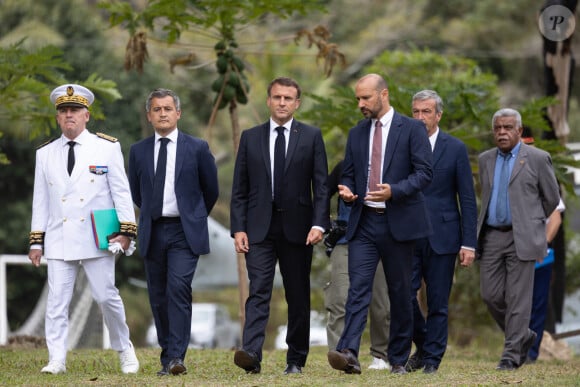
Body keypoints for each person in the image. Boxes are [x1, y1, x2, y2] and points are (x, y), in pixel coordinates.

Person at [29, 84, 139, 375]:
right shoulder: (45, 154)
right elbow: (40, 200)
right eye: (63, 111)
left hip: (97, 237)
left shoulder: (107, 147)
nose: (69, 116)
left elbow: (121, 193)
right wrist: (36, 241)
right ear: (57, 118)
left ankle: (124, 349)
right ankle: (56, 359)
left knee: (106, 296)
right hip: (59, 237)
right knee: (57, 302)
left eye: (75, 111)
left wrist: (127, 232)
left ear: (86, 115)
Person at [327, 73, 433, 375]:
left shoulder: (412, 129)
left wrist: (394, 191)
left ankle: (398, 359)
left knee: (400, 292)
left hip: (399, 222)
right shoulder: (356, 133)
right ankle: (348, 352)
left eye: (365, 98)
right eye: (358, 98)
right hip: (364, 223)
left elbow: (425, 173)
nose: (360, 104)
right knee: (358, 290)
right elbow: (347, 172)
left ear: (383, 94)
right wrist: (346, 190)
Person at [230, 76, 329, 375]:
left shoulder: (311, 136)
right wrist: (239, 228)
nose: (282, 102)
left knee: (297, 294)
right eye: (277, 97)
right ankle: (251, 354)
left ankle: (295, 359)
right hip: (258, 228)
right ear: (269, 101)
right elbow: (239, 189)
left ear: (297, 103)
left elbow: (321, 187)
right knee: (258, 290)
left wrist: (319, 224)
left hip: (299, 229)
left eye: (288, 98)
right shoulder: (250, 137)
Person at [128, 88, 219, 376]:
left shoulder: (197, 148)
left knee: (178, 288)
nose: (163, 113)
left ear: (178, 113)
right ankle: (167, 355)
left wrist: (193, 215)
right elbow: (136, 192)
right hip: (153, 229)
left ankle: (177, 357)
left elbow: (211, 190)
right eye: (157, 109)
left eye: (168, 108)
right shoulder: (138, 151)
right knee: (158, 294)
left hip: (184, 231)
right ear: (149, 115)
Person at [477, 108, 560, 371]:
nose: (502, 132)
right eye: (498, 128)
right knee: (490, 295)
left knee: (518, 298)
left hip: (522, 237)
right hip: (491, 236)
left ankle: (511, 356)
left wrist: (531, 223)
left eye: (508, 127)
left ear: (519, 131)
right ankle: (522, 334)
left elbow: (551, 200)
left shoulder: (537, 158)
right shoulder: (485, 159)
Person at [405, 90, 478, 374]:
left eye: (426, 111)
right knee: (402, 297)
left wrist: (468, 243)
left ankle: (432, 360)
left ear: (439, 114)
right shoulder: (403, 145)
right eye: (416, 112)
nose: (420, 117)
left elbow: (467, 199)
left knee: (438, 302)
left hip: (444, 237)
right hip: (408, 234)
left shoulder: (455, 148)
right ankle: (423, 345)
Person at [324, 160, 391, 371]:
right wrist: (325, 223)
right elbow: (322, 193)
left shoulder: (391, 164)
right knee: (339, 299)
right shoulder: (344, 166)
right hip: (345, 241)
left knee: (381, 303)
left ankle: (381, 355)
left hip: (380, 240)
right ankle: (340, 354)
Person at [519, 132, 565, 363]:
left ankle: (531, 353)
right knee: (515, 301)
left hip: (540, 252)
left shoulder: (546, 176)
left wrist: (542, 245)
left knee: (537, 303)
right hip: (515, 250)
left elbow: (555, 219)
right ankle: (517, 345)